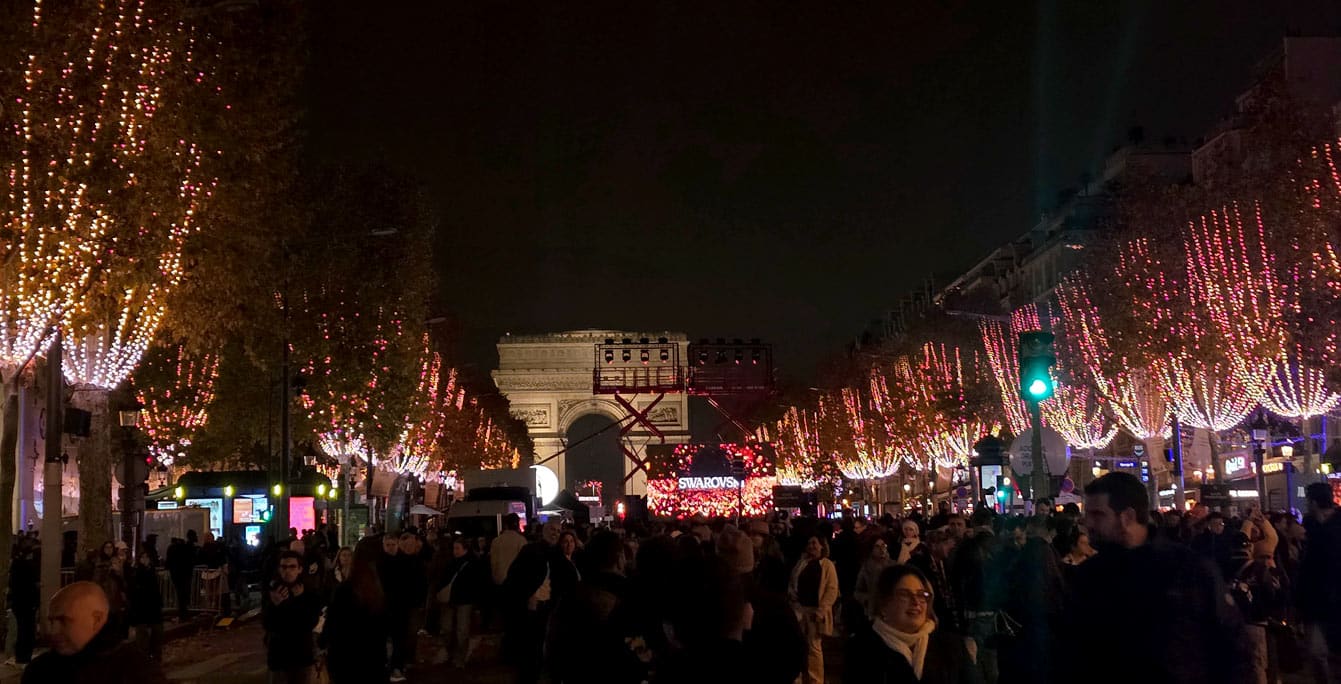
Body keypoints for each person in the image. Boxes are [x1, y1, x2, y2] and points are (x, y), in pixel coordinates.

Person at [1064, 472, 1243, 683]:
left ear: (1127, 517)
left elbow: (1230, 643)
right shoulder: (1088, 576)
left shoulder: (1188, 569)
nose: (1088, 524)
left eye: (1098, 514)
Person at [844, 565, 981, 684]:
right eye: (904, 594)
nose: (916, 602)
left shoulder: (951, 646)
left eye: (922, 595)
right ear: (884, 604)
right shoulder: (863, 649)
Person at [21, 581, 166, 684]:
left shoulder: (137, 670)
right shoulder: (39, 671)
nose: (53, 631)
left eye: (64, 621)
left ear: (97, 619)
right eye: (52, 621)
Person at [320, 537, 390, 684]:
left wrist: (322, 642)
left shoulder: (346, 589)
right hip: (373, 656)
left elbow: (333, 622)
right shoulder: (379, 589)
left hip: (345, 655)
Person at [1297, 481, 1341, 683]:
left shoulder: (1320, 528)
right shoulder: (1309, 525)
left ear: (1313, 502)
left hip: (1331, 596)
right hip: (1316, 600)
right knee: (1317, 653)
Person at [263, 550, 324, 684]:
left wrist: (300, 600)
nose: (288, 571)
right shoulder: (274, 591)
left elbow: (310, 622)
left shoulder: (309, 592)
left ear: (300, 569)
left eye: (292, 567)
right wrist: (275, 605)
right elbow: (268, 623)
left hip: (302, 654)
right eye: (284, 567)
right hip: (279, 655)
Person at [790, 534, 840, 684]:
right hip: (800, 609)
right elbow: (793, 583)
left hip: (815, 611)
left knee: (814, 648)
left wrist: (822, 610)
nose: (811, 546)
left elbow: (831, 589)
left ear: (822, 546)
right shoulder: (802, 563)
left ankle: (816, 679)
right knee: (797, 645)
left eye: (814, 543)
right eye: (809, 543)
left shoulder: (827, 565)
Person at [434, 537, 486, 668]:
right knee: (447, 628)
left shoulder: (473, 563)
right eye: (454, 548)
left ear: (465, 549)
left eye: (457, 548)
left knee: (462, 630)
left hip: (465, 600)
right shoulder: (451, 562)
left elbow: (477, 583)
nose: (455, 551)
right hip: (451, 600)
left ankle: (459, 658)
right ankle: (451, 653)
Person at [7, 534, 40, 665]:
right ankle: (23, 656)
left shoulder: (20, 563)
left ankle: (23, 656)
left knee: (24, 630)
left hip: (22, 602)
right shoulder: (23, 564)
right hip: (24, 601)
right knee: (25, 631)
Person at [126, 551, 165, 662]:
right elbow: (135, 590)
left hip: (153, 607)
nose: (145, 559)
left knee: (157, 632)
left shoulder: (151, 571)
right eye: (142, 557)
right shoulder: (138, 572)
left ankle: (155, 656)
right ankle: (144, 658)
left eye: (146, 557)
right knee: (142, 635)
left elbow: (155, 589)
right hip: (141, 606)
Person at [855, 538, 895, 622]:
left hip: (890, 612)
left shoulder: (893, 566)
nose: (881, 549)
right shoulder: (866, 568)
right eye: (877, 546)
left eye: (883, 545)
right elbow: (858, 590)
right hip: (872, 613)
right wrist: (867, 599)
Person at [166, 532, 198, 621]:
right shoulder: (186, 548)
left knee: (181, 595)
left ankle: (183, 613)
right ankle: (183, 614)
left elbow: (169, 562)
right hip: (183, 574)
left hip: (178, 574)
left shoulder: (174, 548)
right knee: (183, 595)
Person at [490, 513, 528, 587]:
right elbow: (525, 563)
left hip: (500, 579)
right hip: (517, 580)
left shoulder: (496, 541)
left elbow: (493, 562)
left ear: (505, 525)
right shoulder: (522, 540)